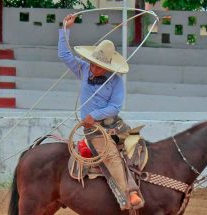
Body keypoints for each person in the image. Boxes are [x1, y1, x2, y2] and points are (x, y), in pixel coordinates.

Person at [58, 14, 143, 210]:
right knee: (111, 155)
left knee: (136, 143)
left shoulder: (116, 81)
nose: (94, 68)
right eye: (93, 64)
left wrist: (94, 115)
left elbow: (115, 108)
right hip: (93, 129)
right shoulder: (82, 68)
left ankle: (143, 183)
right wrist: (66, 29)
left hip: (113, 122)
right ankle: (129, 195)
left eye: (99, 66)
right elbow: (64, 55)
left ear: (108, 67)